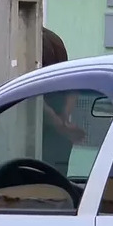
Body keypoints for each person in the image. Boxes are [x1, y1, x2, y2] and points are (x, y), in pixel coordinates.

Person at [39, 27, 86, 176]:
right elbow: (74, 87)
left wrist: (61, 123)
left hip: (45, 133)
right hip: (58, 132)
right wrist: (64, 120)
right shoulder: (53, 40)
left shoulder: (37, 41)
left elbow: (35, 101)